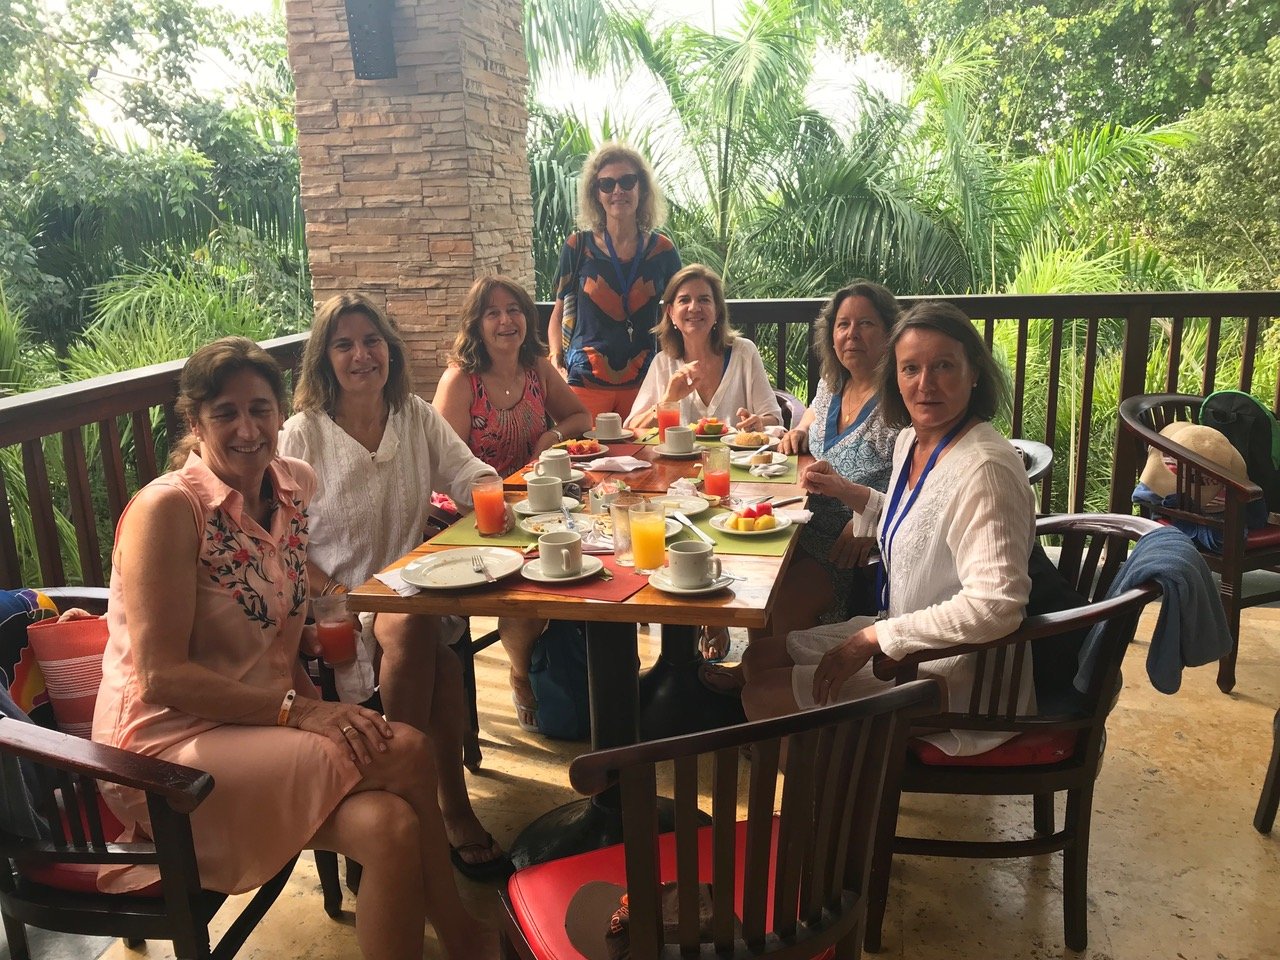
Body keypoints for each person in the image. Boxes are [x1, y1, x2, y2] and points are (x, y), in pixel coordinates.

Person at [92, 337, 497, 959]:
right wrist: (308, 713)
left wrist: (308, 655)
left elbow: (273, 624)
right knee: (409, 748)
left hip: (254, 724)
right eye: (225, 413)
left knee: (388, 828)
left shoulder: (290, 486)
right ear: (195, 421)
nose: (247, 429)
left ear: (282, 414)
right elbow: (160, 677)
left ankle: (459, 935)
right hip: (164, 753)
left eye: (260, 409)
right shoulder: (169, 510)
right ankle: (463, 934)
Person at [740, 302, 1038, 758]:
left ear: (974, 372)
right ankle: (828, 778)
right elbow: (915, 516)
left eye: (943, 366)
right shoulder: (912, 439)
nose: (925, 384)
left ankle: (829, 812)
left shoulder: (986, 469)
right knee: (757, 658)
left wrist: (873, 638)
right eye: (910, 368)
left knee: (762, 695)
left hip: (956, 677)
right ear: (893, 377)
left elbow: (998, 606)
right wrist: (847, 491)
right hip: (901, 635)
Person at [278, 294, 509, 880]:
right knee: (434, 651)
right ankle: (443, 808)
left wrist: (491, 498)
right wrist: (337, 593)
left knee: (420, 630)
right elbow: (281, 542)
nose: (362, 355)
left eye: (372, 340)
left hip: (414, 589)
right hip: (338, 605)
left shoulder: (412, 416)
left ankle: (419, 804)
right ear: (323, 358)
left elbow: (468, 473)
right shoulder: (301, 436)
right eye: (344, 343)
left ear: (390, 349)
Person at [433, 275, 590, 730]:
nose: (506, 320)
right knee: (526, 591)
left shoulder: (536, 366)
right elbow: (444, 466)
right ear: (477, 324)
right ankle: (523, 673)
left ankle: (570, 669)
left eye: (515, 310)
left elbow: (580, 415)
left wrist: (552, 434)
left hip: (532, 506)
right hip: (468, 514)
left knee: (582, 562)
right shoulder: (461, 381)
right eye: (493, 312)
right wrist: (493, 511)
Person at [775, 281, 901, 629]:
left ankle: (771, 675)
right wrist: (799, 430)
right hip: (799, 520)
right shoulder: (832, 384)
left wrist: (869, 519)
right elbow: (812, 416)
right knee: (753, 573)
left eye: (866, 324)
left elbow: (920, 483)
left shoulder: (900, 400)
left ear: (890, 333)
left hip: (846, 543)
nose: (852, 334)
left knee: (781, 602)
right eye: (843, 324)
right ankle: (759, 670)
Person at [547, 141, 682, 417]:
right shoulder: (577, 246)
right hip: (584, 381)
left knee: (645, 458)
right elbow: (558, 312)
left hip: (646, 382)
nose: (617, 191)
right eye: (607, 184)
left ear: (641, 188)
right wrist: (555, 361)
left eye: (627, 181)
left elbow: (679, 310)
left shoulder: (663, 251)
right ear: (596, 194)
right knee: (586, 458)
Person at [625, 264, 782, 433]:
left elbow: (774, 419)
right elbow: (632, 428)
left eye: (704, 300)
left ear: (717, 311)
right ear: (670, 313)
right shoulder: (663, 363)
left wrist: (759, 422)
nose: (694, 308)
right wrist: (668, 401)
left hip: (738, 459)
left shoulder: (744, 353)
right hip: (677, 460)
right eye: (684, 300)